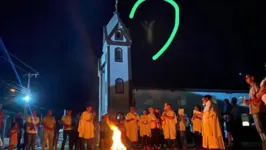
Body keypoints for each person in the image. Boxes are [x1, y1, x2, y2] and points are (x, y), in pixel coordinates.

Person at [244, 73, 266, 149]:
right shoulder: (252, 87)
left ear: (252, 78)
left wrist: (249, 102)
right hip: (255, 110)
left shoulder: (256, 86)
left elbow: (259, 98)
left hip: (258, 110)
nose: (246, 79)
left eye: (247, 77)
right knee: (260, 129)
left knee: (261, 129)